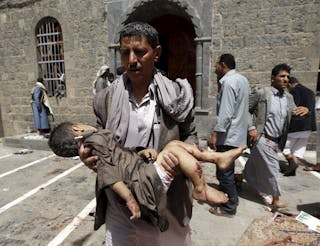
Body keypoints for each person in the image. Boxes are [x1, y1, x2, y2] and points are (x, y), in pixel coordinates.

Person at [80, 22, 198, 246]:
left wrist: (173, 159)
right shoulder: (105, 99)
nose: (131, 60)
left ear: (157, 53)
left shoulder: (175, 96)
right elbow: (100, 142)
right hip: (120, 206)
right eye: (125, 53)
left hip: (166, 203)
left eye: (140, 52)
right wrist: (90, 157)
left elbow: (191, 137)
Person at [49, 122, 247, 227]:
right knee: (174, 150)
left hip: (142, 173)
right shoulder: (95, 142)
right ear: (77, 128)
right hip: (142, 184)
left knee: (175, 145)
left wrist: (141, 152)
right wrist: (129, 199)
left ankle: (217, 158)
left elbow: (121, 156)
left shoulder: (96, 142)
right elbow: (108, 173)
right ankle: (201, 188)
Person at [243, 63, 309, 210]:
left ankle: (239, 177)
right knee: (273, 168)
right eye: (282, 76)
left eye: (287, 77)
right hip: (262, 138)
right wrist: (251, 128)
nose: (286, 79)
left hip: (276, 141)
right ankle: (276, 200)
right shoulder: (262, 93)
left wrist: (305, 112)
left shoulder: (289, 97)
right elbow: (245, 109)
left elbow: (293, 116)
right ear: (273, 78)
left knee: (253, 165)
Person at [208, 53, 249, 217]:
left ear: (223, 65)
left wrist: (215, 134)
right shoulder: (242, 80)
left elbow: (226, 113)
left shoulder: (229, 82)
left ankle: (229, 206)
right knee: (227, 170)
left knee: (224, 171)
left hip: (228, 135)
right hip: (237, 133)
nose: (215, 68)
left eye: (216, 65)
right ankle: (230, 197)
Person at [282, 76, 317, 176]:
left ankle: (292, 164)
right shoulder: (310, 92)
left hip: (296, 125)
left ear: (290, 84)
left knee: (285, 147)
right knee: (298, 150)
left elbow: (293, 109)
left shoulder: (294, 91)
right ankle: (292, 169)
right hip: (308, 126)